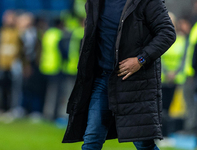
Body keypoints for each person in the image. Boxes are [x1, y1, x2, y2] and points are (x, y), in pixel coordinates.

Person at [63, 0, 176, 150]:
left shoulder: (147, 1)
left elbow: (168, 33)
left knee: (143, 144)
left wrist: (140, 59)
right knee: (91, 139)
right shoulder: (95, 2)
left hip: (134, 83)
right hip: (103, 79)